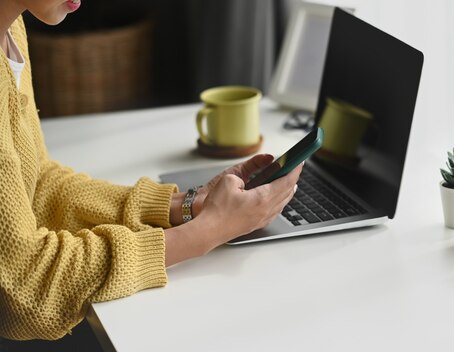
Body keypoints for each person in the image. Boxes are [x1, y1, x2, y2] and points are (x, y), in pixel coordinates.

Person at [0, 0, 303, 348]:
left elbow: (36, 184)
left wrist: (184, 205)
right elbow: (26, 290)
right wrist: (207, 233)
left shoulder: (11, 27)